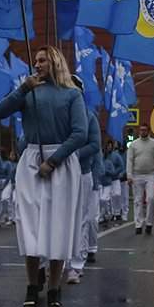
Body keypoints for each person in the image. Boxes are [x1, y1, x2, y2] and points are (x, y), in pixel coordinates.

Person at [0, 46, 88, 307]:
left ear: (55, 62)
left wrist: (54, 160)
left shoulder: (72, 94)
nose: (37, 64)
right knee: (29, 227)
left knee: (58, 228)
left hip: (61, 163)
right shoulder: (29, 91)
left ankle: (55, 289)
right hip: (31, 159)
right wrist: (22, 89)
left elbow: (79, 133)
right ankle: (32, 286)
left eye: (42, 60)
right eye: (35, 61)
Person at [67, 105, 102, 283]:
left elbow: (95, 145)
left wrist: (71, 154)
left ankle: (76, 265)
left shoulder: (89, 116)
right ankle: (56, 262)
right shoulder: (59, 112)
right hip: (60, 171)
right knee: (61, 219)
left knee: (83, 219)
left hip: (82, 172)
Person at [126, 123, 154, 235]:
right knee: (137, 201)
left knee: (151, 199)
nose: (142, 132)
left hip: (150, 175)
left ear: (148, 131)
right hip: (136, 175)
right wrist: (129, 176)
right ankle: (138, 225)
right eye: (141, 130)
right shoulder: (134, 144)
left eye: (145, 130)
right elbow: (129, 161)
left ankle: (149, 223)